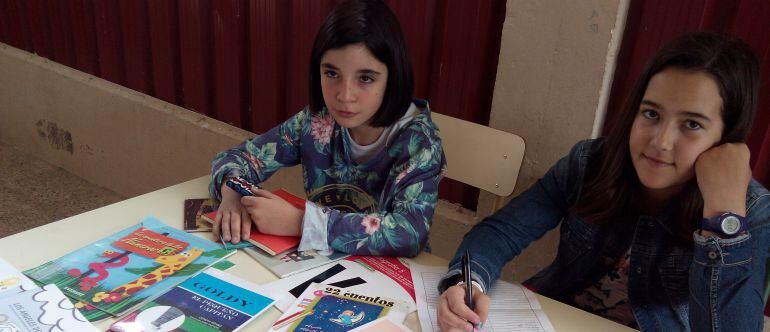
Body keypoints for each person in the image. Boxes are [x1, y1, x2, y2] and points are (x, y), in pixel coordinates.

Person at [437, 32, 769, 331]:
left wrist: (723, 217)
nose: (661, 142)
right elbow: (504, 230)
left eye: (692, 125)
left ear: (727, 139)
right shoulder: (590, 163)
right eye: (651, 114)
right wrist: (469, 283)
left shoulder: (751, 213)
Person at [209, 0, 445, 257]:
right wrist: (233, 192)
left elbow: (409, 232)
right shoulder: (316, 121)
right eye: (332, 74)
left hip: (390, 280)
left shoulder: (418, 143)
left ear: (394, 76)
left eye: (365, 78)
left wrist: (300, 223)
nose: (345, 95)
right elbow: (238, 158)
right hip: (319, 270)